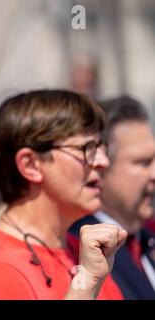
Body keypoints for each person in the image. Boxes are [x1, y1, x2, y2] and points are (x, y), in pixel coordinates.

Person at [0, 90, 127, 299]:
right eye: (87, 148)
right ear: (30, 165)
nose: (102, 161)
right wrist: (86, 283)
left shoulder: (78, 251)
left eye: (101, 147)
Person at [70, 96, 155, 299]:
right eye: (142, 163)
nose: (154, 174)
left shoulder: (145, 241)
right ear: (101, 167)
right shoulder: (78, 249)